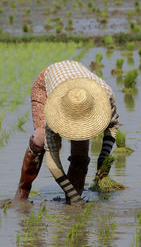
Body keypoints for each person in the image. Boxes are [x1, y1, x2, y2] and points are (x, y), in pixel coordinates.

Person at [14, 60, 119, 205]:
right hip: (46, 86)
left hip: (77, 82)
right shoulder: (54, 111)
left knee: (81, 151)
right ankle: (22, 193)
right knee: (40, 139)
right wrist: (71, 192)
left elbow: (112, 126)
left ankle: (72, 200)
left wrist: (103, 158)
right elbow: (52, 161)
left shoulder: (105, 95)